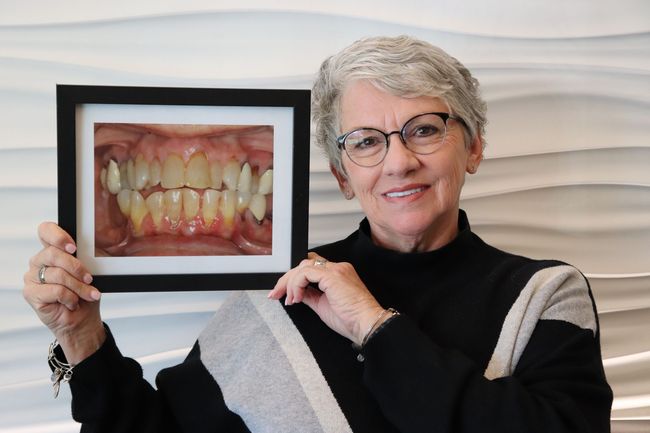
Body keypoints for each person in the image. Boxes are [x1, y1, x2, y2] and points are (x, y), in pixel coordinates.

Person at [23, 35, 612, 433]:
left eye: (425, 129)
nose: (398, 162)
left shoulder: (545, 294)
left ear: (475, 147)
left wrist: (373, 327)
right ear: (341, 174)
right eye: (366, 141)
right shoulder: (282, 286)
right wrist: (82, 336)